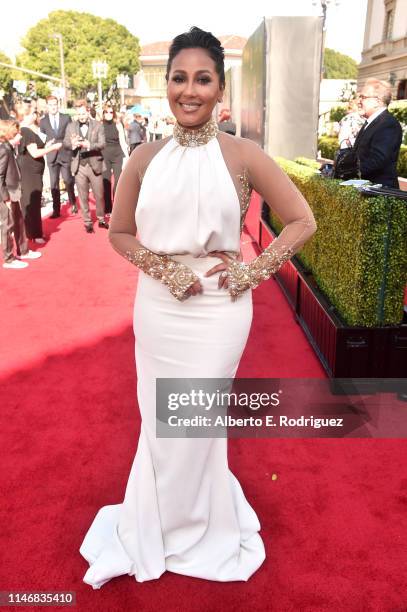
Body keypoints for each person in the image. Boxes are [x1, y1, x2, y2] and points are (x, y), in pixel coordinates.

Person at [79, 27, 316, 588]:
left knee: (197, 423)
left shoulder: (243, 154)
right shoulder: (142, 156)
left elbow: (302, 220)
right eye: (179, 78)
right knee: (162, 426)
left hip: (218, 314)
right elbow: (119, 233)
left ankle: (199, 526)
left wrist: (250, 273)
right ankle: (158, 523)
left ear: (220, 87)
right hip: (158, 311)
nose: (190, 90)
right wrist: (165, 270)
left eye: (202, 79)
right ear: (166, 86)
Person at [0, 119, 42, 268]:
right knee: (7, 226)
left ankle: (23, 251)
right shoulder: (4, 150)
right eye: (17, 133)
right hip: (6, 194)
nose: (20, 136)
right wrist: (5, 199)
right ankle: (9, 259)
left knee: (18, 222)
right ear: (10, 135)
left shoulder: (10, 148)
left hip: (14, 191)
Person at [64, 100, 109, 233]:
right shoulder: (71, 126)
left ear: (88, 111)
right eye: (79, 114)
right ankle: (87, 221)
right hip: (79, 165)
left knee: (99, 194)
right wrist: (72, 144)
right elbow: (65, 143)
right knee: (83, 196)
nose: (82, 116)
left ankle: (101, 218)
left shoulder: (98, 125)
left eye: (83, 113)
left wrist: (89, 145)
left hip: (95, 162)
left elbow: (102, 144)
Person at [18, 108, 62, 243]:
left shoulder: (25, 131)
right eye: (32, 113)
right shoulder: (26, 131)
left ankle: (32, 233)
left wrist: (46, 145)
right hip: (30, 172)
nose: (35, 115)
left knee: (33, 201)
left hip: (31, 171)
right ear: (25, 115)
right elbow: (35, 153)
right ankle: (34, 234)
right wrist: (53, 148)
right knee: (33, 202)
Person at [355, 78, 403, 188]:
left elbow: (377, 161)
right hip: (366, 189)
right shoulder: (372, 122)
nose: (359, 101)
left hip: (379, 193)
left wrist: (349, 172)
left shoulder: (388, 124)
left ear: (377, 101)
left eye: (363, 97)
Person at [39, 95, 77, 217]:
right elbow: (42, 139)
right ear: (47, 106)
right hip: (51, 156)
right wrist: (46, 147)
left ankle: (73, 203)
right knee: (53, 184)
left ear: (58, 105)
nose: (53, 107)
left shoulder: (66, 118)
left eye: (55, 104)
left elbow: (71, 133)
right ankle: (56, 210)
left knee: (68, 180)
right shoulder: (43, 121)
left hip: (65, 153)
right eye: (50, 105)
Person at [101, 104, 128, 215]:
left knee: (118, 181)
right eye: (106, 112)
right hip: (104, 155)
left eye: (111, 112)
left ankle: (116, 206)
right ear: (103, 113)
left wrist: (127, 156)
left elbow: (122, 141)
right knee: (106, 182)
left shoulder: (118, 125)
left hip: (117, 154)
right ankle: (108, 208)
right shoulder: (100, 125)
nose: (109, 114)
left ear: (114, 113)